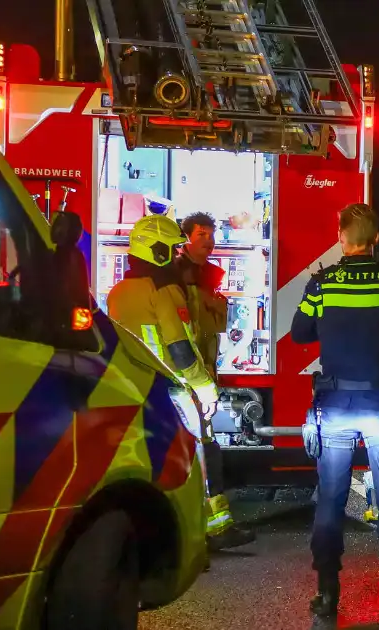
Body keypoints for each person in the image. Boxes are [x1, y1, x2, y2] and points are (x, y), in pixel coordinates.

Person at [290, 203, 379, 622]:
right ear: (376, 239)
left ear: (341, 237)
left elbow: (300, 334)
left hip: (334, 407)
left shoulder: (322, 284)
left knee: (331, 500)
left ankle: (327, 594)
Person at [105, 215, 242, 551]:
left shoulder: (118, 292)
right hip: (175, 389)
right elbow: (181, 347)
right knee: (201, 455)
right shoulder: (164, 291)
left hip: (134, 389)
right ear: (156, 250)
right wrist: (206, 388)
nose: (175, 253)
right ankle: (211, 531)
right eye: (170, 248)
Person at [176, 211, 255, 550]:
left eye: (211, 233)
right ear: (186, 238)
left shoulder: (207, 277)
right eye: (201, 234)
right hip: (188, 379)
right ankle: (211, 529)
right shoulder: (179, 278)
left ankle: (209, 527)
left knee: (204, 449)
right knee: (203, 450)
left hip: (200, 373)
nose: (208, 240)